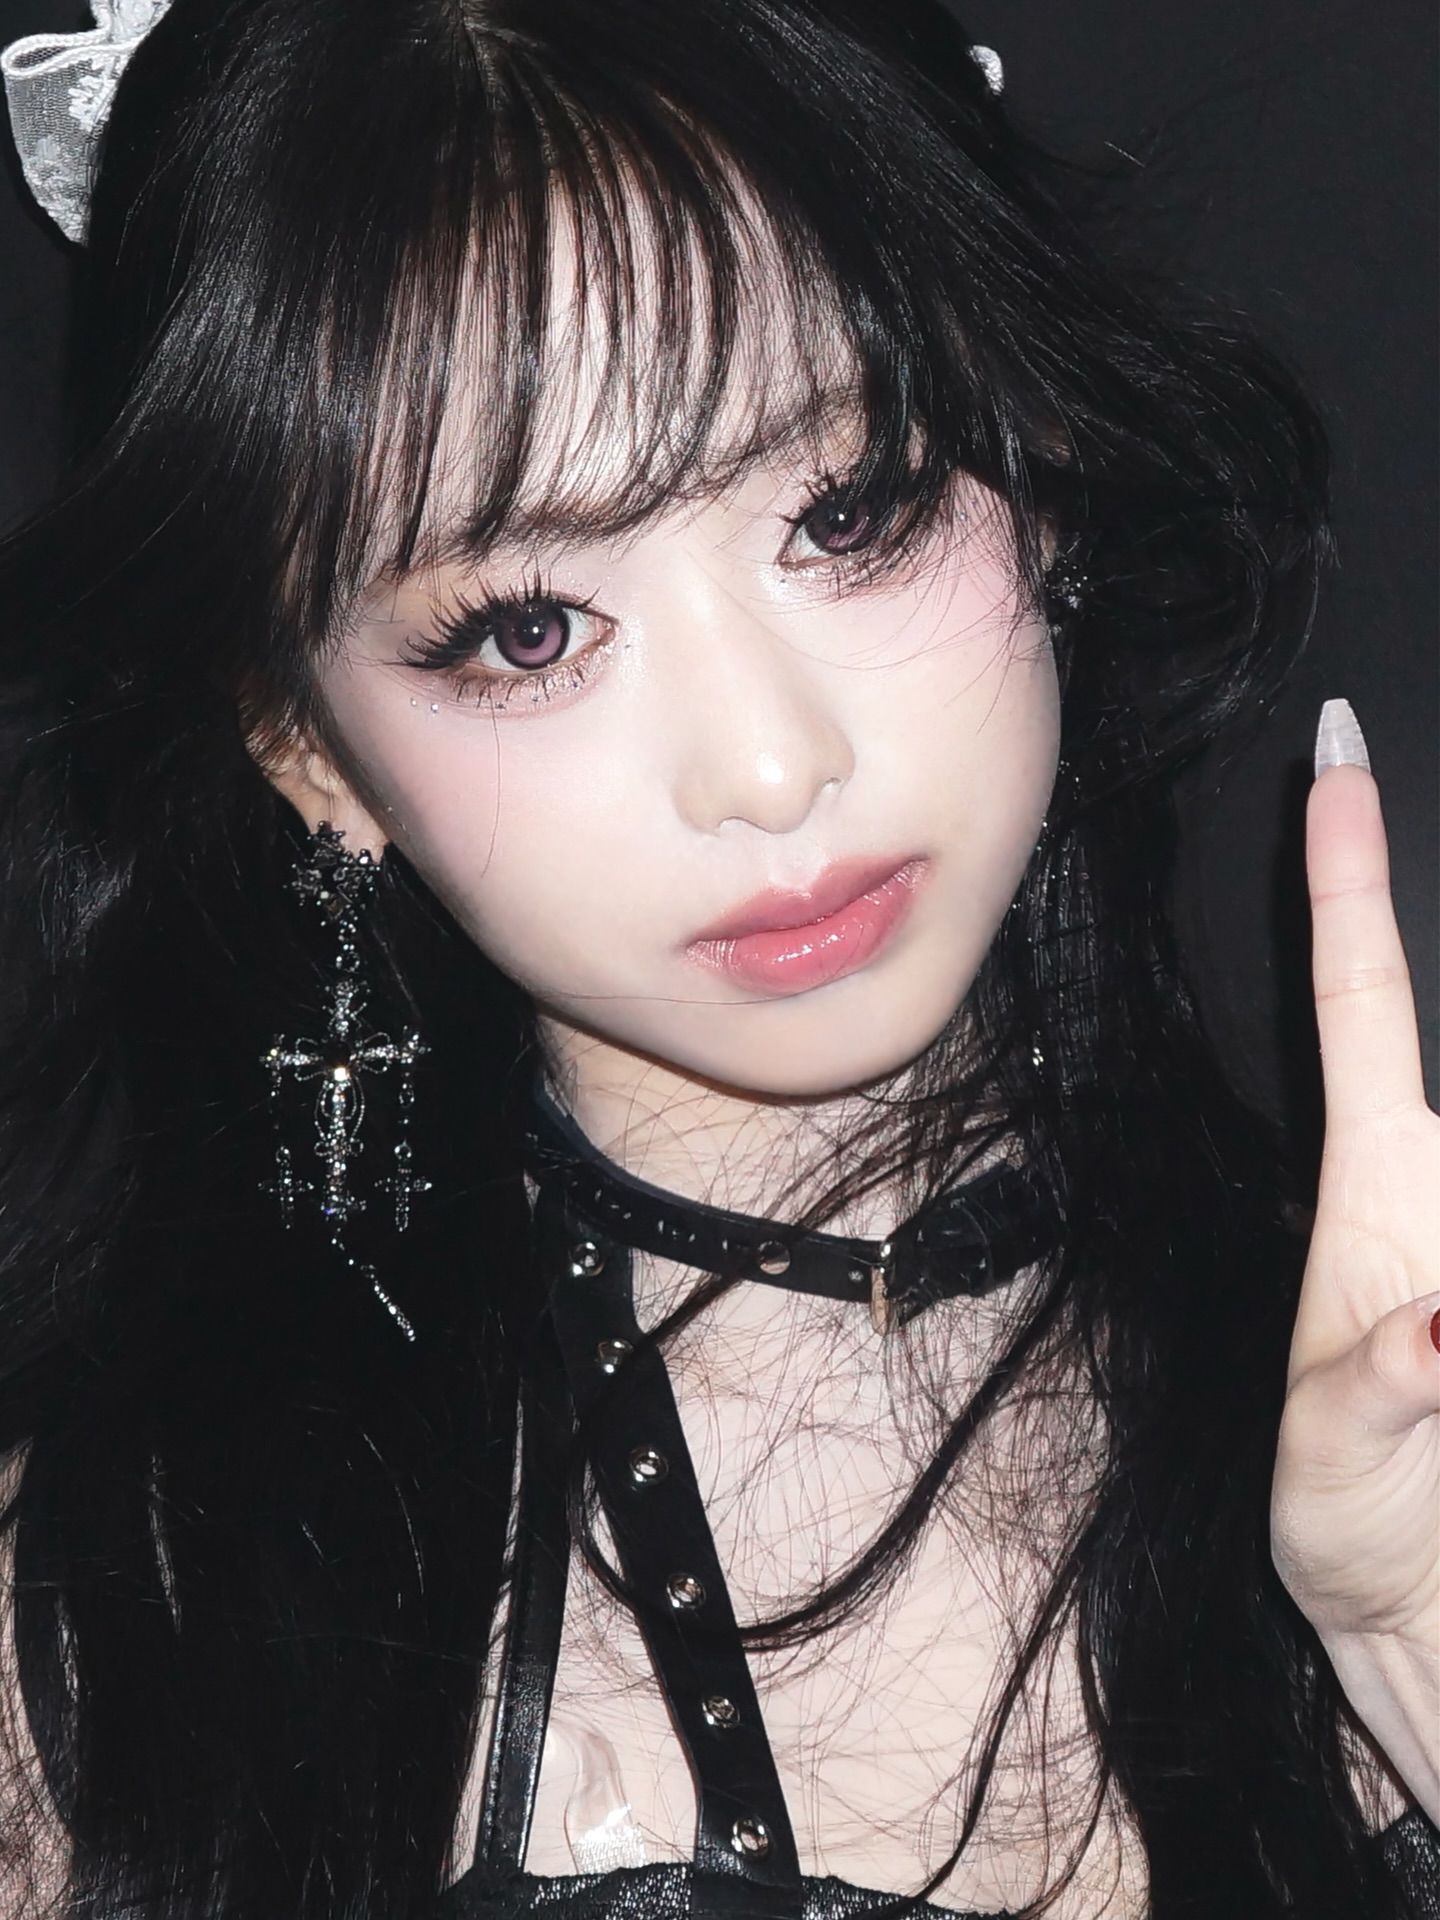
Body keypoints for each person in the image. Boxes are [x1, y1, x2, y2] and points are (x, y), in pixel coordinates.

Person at [0, 1, 1435, 1915]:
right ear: (306, 746)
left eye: (850, 511)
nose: (772, 766)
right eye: (528, 629)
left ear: (1039, 473)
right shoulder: (109, 1634)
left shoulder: (1391, 1432)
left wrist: (1410, 1651)